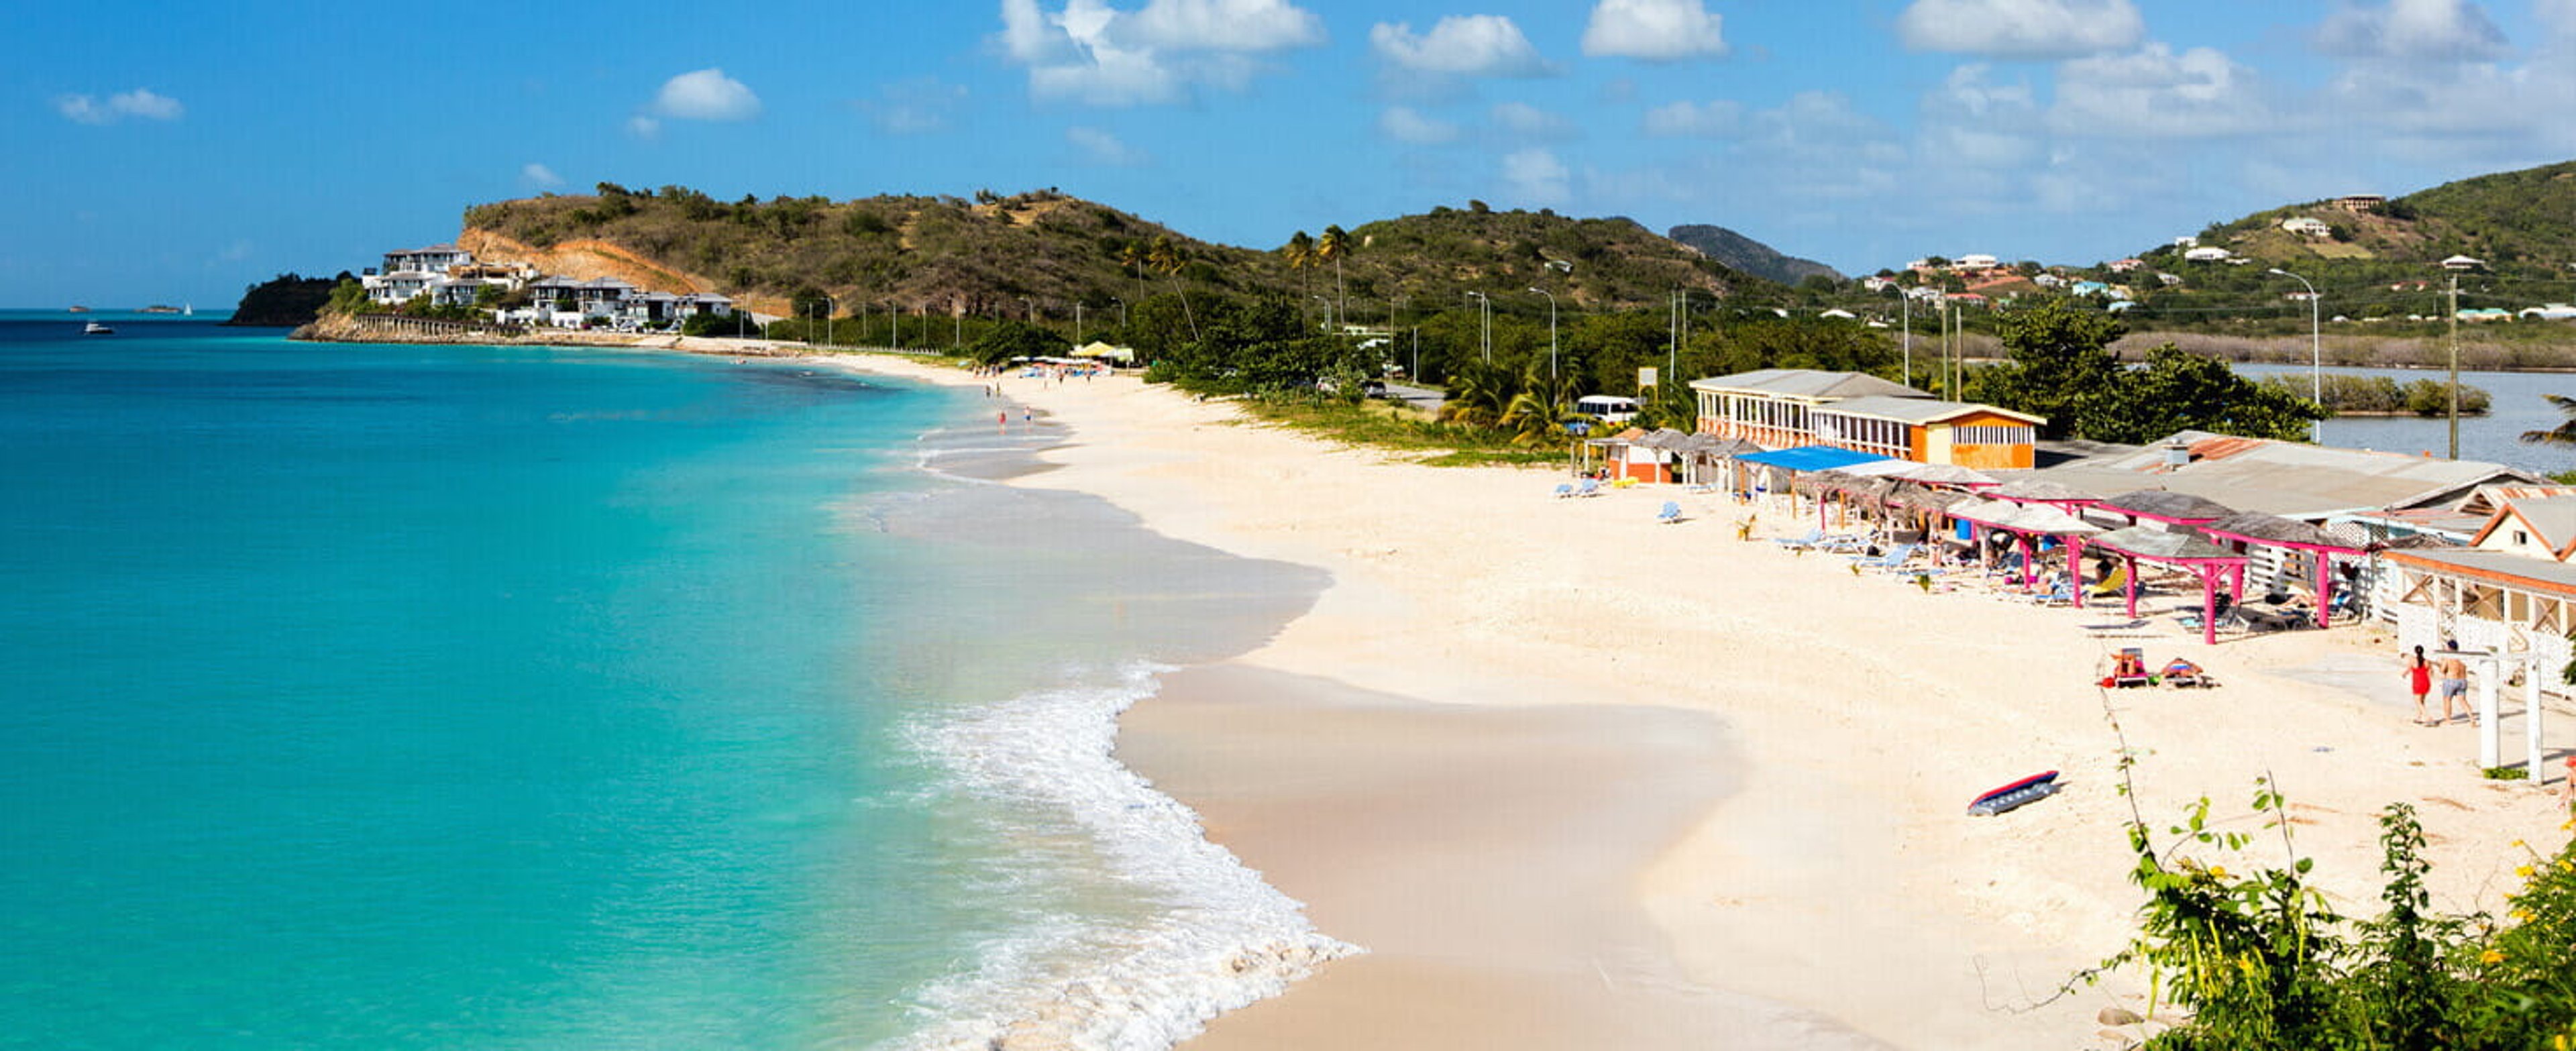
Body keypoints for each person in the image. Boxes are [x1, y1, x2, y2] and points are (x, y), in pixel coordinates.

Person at [2436, 641, 2472, 726]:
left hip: (2451, 680)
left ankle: (2448, 720)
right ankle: (2472, 718)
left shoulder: (2448, 657)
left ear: (2449, 648)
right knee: (2463, 701)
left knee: (2447, 700)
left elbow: (2442, 670)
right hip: (2463, 680)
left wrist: (2439, 664)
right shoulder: (2461, 658)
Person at [2402, 645, 2434, 726]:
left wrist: (2404, 675)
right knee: (2422, 701)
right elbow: (2431, 673)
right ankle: (2419, 717)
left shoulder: (2413, 661)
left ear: (2415, 652)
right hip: (2426, 682)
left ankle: (2428, 718)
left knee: (2418, 702)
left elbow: (2408, 670)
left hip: (2418, 683)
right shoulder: (2427, 661)